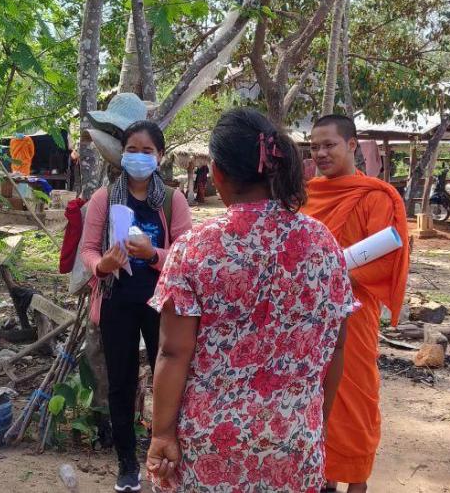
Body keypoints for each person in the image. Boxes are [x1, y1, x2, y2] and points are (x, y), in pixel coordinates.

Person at [145, 108, 354, 492]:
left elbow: (173, 353)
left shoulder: (194, 249)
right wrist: (312, 421)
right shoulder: (324, 244)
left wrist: (161, 433)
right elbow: (337, 347)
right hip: (294, 444)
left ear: (218, 174)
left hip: (209, 447)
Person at [81, 120, 192, 492]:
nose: (139, 157)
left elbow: (186, 253)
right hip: (117, 301)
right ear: (121, 155)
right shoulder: (104, 197)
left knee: (169, 378)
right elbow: (88, 249)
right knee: (120, 382)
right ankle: (127, 463)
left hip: (162, 304)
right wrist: (102, 265)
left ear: (160, 156)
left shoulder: (172, 200)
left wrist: (154, 254)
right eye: (132, 149)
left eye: (147, 151)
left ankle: (163, 453)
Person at [302, 114, 410, 493]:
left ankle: (357, 481)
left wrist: (333, 272)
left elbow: (385, 258)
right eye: (314, 146)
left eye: (329, 145)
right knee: (314, 396)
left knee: (356, 397)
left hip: (355, 317)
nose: (320, 153)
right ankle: (323, 478)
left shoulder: (375, 196)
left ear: (351, 145)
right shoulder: (307, 195)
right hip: (310, 319)